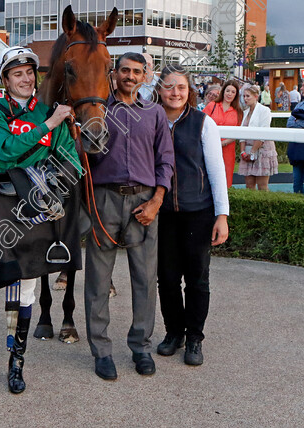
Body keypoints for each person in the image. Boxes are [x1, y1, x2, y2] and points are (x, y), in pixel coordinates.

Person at [0, 46, 79, 397]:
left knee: (25, 289)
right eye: (17, 74)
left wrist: (58, 172)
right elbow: (4, 150)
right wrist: (49, 126)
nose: (25, 79)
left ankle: (16, 363)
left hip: (33, 208)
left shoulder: (46, 111)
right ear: (4, 79)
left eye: (29, 73)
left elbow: (72, 160)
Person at [85, 52, 174, 381]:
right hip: (105, 199)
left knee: (145, 278)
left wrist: (157, 200)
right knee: (97, 278)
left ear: (145, 76)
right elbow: (82, 159)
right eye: (125, 70)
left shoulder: (155, 114)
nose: (131, 76)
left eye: (137, 71)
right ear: (115, 73)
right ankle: (102, 350)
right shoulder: (99, 110)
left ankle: (140, 346)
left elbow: (166, 161)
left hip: (144, 201)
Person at [154, 64, 229, 367]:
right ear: (159, 89)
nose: (175, 93)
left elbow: (216, 170)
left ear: (189, 90)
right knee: (167, 279)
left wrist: (221, 215)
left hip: (198, 212)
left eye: (181, 87)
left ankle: (194, 337)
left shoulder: (203, 123)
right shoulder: (151, 119)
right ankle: (174, 333)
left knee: (197, 279)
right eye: (169, 86)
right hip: (163, 214)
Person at [203, 79, 243, 188]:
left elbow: (238, 132)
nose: (229, 94)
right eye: (227, 91)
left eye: (233, 92)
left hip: (228, 151)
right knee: (207, 177)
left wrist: (223, 143)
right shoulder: (212, 106)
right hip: (210, 147)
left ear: (236, 95)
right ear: (223, 91)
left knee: (225, 180)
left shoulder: (238, 112)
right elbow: (201, 124)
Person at [238, 85, 278, 190]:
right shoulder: (245, 112)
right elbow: (242, 134)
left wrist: (252, 152)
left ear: (256, 96)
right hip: (248, 150)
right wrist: (243, 152)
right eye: (244, 96)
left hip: (262, 150)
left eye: (248, 96)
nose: (245, 99)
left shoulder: (264, 111)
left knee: (262, 185)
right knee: (249, 185)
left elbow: (263, 134)